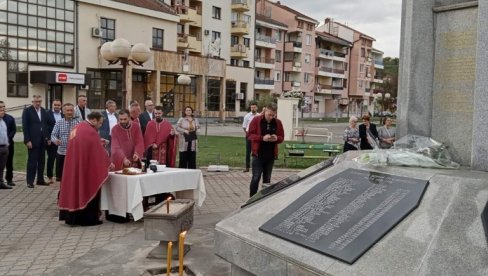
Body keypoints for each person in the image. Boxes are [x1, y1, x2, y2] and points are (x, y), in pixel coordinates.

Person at [59, 112, 111, 226]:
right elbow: (97, 152)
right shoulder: (90, 132)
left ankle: (71, 218)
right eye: (100, 123)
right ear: (93, 120)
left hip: (73, 165)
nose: (100, 125)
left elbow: (86, 145)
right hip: (85, 168)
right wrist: (108, 162)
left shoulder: (78, 127)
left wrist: (99, 141)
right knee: (86, 186)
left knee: (74, 187)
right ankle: (87, 219)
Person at [247, 103, 284, 197]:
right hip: (258, 155)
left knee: (267, 180)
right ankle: (251, 199)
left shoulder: (277, 122)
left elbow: (281, 137)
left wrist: (276, 138)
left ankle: (264, 200)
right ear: (265, 111)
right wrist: (262, 138)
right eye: (269, 114)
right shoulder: (256, 120)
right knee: (256, 178)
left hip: (270, 156)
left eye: (273, 115)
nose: (271, 117)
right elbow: (249, 135)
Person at [22, 95, 49, 188]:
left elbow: (45, 125)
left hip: (43, 140)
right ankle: (30, 181)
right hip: (32, 141)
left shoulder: (44, 111)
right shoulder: (27, 111)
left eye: (39, 101)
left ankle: (40, 180)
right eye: (36, 101)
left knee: (42, 161)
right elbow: (25, 126)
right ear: (32, 101)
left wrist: (47, 138)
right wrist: (27, 140)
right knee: (32, 161)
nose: (38, 103)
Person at [51, 103, 80, 181]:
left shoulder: (78, 123)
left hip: (73, 153)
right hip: (61, 153)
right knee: (60, 178)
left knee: (72, 176)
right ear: (63, 112)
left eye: (71, 110)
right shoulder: (59, 123)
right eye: (68, 110)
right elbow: (53, 135)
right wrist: (55, 140)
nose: (70, 112)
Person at [46, 99, 63, 183]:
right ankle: (50, 176)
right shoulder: (47, 114)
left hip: (62, 141)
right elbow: (45, 127)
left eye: (58, 105)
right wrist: (48, 138)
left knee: (60, 159)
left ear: (61, 106)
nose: (57, 106)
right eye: (55, 105)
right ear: (52, 105)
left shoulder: (63, 114)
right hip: (52, 140)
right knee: (51, 159)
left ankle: (59, 176)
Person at [0, 101, 16, 187]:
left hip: (9, 144)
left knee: (9, 163)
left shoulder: (10, 118)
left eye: (3, 107)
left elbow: (13, 130)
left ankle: (9, 179)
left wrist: (8, 138)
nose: (2, 109)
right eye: (0, 107)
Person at [242, 102, 258, 172]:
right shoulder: (247, 116)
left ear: (256, 108)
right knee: (248, 151)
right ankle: (247, 167)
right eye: (252, 107)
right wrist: (248, 134)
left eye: (254, 107)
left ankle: (256, 167)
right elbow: (244, 127)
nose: (253, 108)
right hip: (249, 135)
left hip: (257, 136)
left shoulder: (259, 116)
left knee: (256, 151)